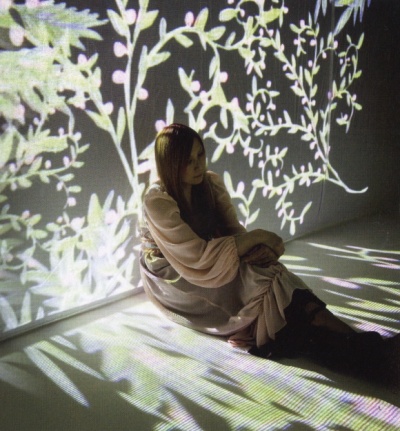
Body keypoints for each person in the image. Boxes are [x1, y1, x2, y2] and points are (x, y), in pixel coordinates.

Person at [139, 123, 399, 387]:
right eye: (188, 161)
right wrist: (259, 236)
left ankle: (367, 349)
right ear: (171, 164)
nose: (198, 165)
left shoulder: (210, 184)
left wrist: (258, 249)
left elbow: (233, 232)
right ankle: (371, 353)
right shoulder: (157, 201)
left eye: (200, 155)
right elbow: (197, 257)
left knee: (272, 274)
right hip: (175, 277)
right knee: (265, 287)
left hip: (209, 259)